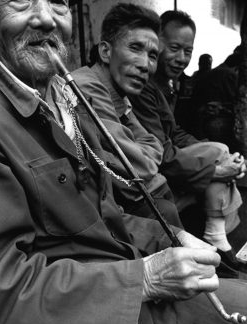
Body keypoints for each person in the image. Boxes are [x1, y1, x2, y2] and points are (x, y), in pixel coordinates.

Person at [0, 1, 247, 324]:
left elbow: (107, 215)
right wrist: (145, 278)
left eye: (57, 2)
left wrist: (171, 237)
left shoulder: (68, 100)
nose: (45, 18)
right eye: (21, 1)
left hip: (134, 289)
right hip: (65, 323)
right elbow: (0, 289)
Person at [130, 11, 245, 268]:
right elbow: (162, 153)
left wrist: (213, 154)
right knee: (219, 153)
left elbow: (175, 132)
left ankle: (217, 232)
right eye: (174, 48)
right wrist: (215, 169)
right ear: (156, 43)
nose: (182, 58)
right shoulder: (142, 86)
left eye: (188, 51)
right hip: (152, 171)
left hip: (168, 157)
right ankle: (217, 233)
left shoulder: (168, 85)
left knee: (221, 149)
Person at [73, 4, 182, 228]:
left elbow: (152, 146)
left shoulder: (119, 94)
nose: (145, 65)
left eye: (153, 55)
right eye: (135, 48)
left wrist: (145, 154)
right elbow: (140, 168)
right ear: (105, 52)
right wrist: (145, 154)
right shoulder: (84, 87)